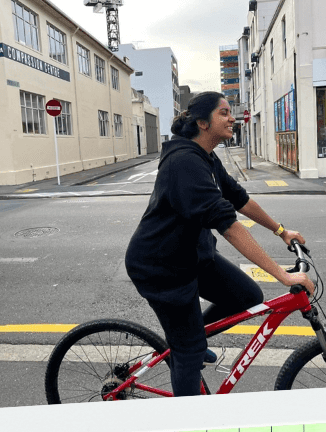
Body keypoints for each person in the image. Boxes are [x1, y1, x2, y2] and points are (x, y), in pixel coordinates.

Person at [124, 91, 315, 397]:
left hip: (193, 256)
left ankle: (189, 339)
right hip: (161, 268)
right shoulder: (184, 163)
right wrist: (283, 275)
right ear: (202, 122)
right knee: (187, 354)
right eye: (224, 113)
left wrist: (281, 230)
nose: (232, 118)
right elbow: (229, 227)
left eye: (230, 112)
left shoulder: (207, 156)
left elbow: (238, 198)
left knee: (247, 295)